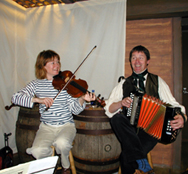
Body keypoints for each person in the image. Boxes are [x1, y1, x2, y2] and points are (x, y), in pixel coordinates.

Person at [104, 45, 187, 174]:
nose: (137, 62)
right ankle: (141, 159)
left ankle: (139, 159)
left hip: (150, 130)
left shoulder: (157, 81)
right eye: (134, 58)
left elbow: (175, 105)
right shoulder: (123, 83)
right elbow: (109, 109)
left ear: (148, 61)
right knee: (116, 118)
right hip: (129, 130)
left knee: (126, 156)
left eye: (141, 58)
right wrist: (120, 103)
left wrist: (182, 117)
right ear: (130, 61)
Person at [11, 50, 95, 174]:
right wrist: (37, 99)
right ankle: (51, 165)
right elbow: (15, 97)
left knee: (62, 143)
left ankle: (66, 166)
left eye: (58, 62)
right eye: (52, 62)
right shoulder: (36, 84)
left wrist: (82, 99)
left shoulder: (66, 84)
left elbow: (74, 110)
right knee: (37, 151)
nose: (57, 65)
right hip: (46, 127)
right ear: (43, 66)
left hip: (66, 125)